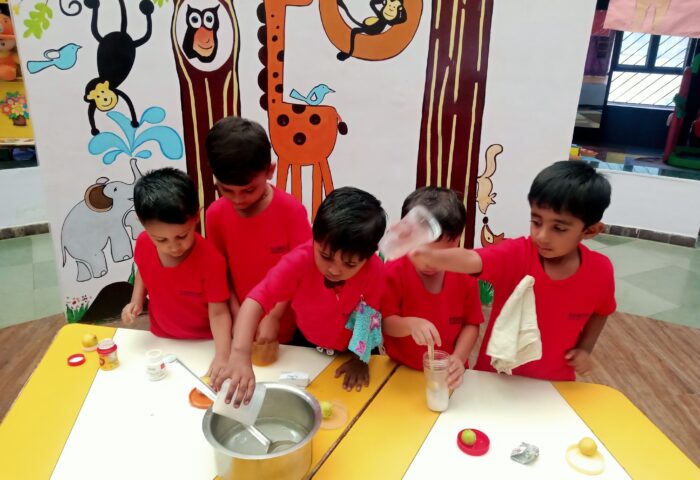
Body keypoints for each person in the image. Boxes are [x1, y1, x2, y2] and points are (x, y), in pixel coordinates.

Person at [410, 161, 616, 381]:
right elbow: (472, 259)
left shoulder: (600, 271)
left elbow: (602, 311)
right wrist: (431, 256)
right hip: (495, 379)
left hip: (554, 384)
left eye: (559, 228)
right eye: (536, 221)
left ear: (590, 230)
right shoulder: (517, 254)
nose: (542, 236)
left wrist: (585, 348)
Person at [217, 187, 387, 406]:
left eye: (350, 264)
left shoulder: (376, 271)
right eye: (325, 256)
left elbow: (368, 316)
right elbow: (256, 300)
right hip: (309, 344)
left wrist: (360, 359)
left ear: (369, 255)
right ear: (315, 236)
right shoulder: (300, 261)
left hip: (355, 349)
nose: (334, 270)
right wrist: (240, 354)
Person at [205, 116, 311, 345]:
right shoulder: (215, 215)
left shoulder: (291, 211)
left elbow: (301, 272)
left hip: (291, 327)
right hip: (241, 327)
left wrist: (273, 316)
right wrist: (239, 315)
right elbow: (220, 274)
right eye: (226, 190)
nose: (238, 200)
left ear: (270, 171)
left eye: (248, 190)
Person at [121, 168, 232, 385]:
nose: (173, 247)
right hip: (160, 338)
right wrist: (136, 300)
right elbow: (143, 269)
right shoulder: (143, 242)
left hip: (204, 344)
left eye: (182, 236)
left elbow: (219, 313)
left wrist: (222, 355)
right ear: (142, 223)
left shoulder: (211, 260)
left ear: (196, 217)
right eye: (161, 240)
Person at [382, 187, 483, 389]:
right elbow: (385, 323)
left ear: (457, 241)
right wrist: (410, 325)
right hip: (401, 371)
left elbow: (471, 324)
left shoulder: (463, 271)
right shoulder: (394, 270)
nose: (429, 262)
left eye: (440, 255)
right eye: (422, 252)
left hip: (448, 376)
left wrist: (458, 358)